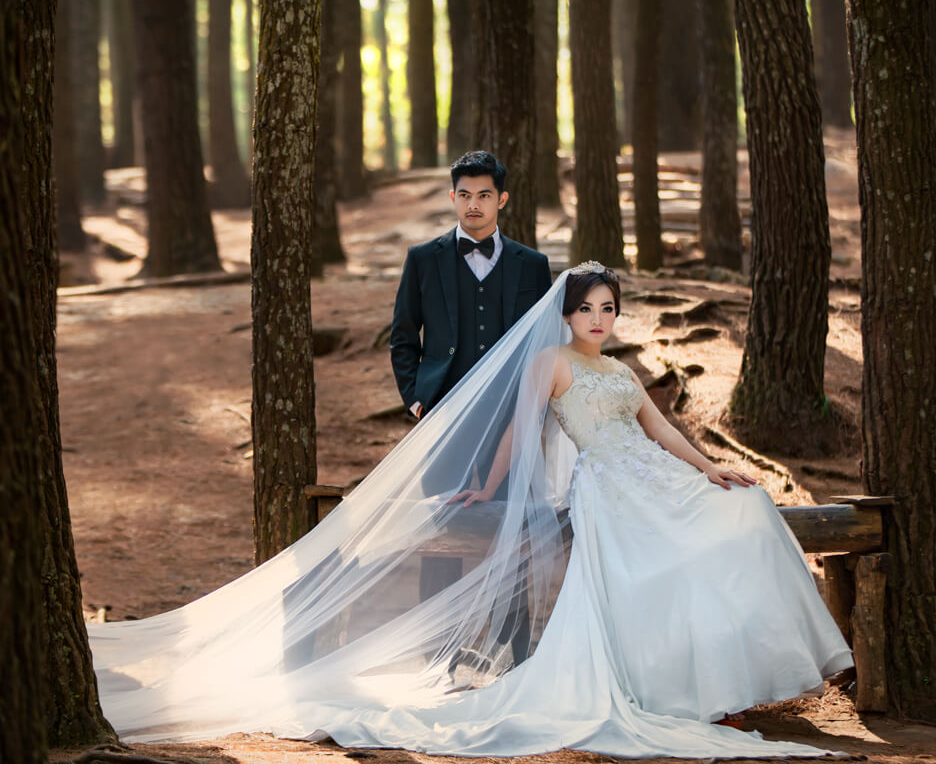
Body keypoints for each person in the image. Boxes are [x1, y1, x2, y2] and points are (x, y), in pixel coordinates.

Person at [89, 263, 853, 759]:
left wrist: (712, 466)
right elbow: (520, 435)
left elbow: (662, 430)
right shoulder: (550, 364)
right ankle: (681, 697)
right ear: (565, 313)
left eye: (609, 309)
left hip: (653, 475)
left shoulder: (620, 370)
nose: (598, 319)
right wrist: (485, 488)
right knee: (653, 571)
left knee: (742, 524)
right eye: (586, 308)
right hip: (606, 488)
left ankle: (719, 690)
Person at [389, 150, 552, 662]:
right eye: (465, 195)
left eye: (484, 195)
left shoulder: (532, 265)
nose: (474, 205)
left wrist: (533, 409)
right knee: (441, 530)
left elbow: (545, 344)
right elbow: (402, 337)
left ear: (501, 199)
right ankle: (435, 652)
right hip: (443, 422)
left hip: (511, 421)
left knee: (512, 528)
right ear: (452, 197)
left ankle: (512, 648)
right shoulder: (424, 259)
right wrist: (418, 400)